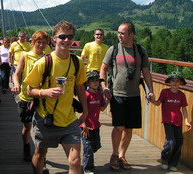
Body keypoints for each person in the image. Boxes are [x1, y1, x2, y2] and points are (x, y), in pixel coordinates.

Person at [26, 21, 88, 174]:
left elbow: (80, 87)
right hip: (46, 118)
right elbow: (29, 90)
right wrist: (45, 92)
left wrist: (85, 111)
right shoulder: (44, 63)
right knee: (40, 154)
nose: (67, 40)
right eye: (62, 37)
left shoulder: (77, 62)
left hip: (69, 119)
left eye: (70, 37)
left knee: (75, 161)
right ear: (54, 39)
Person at [99, 22, 155, 171]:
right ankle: (115, 155)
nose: (119, 35)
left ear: (131, 35)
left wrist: (150, 90)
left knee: (129, 129)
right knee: (118, 127)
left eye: (122, 33)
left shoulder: (140, 51)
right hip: (117, 94)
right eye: (118, 32)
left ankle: (122, 156)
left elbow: (146, 72)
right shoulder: (114, 49)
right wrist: (104, 87)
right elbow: (103, 69)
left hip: (134, 95)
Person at [11, 31, 49, 162]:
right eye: (39, 42)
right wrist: (16, 84)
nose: (41, 45)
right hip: (26, 97)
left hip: (41, 97)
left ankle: (41, 156)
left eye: (44, 43)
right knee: (27, 127)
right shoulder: (25, 56)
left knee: (42, 128)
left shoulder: (47, 58)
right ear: (33, 42)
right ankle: (26, 146)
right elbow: (16, 74)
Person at [152, 71, 192, 172]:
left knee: (179, 142)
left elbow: (184, 109)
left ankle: (173, 163)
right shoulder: (165, 92)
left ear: (181, 83)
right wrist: (152, 100)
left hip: (178, 121)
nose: (175, 83)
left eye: (178, 81)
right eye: (173, 81)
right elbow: (158, 103)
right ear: (169, 82)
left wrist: (187, 121)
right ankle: (165, 160)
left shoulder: (182, 95)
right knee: (170, 142)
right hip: (167, 121)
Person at [80, 70, 110, 174]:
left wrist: (108, 100)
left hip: (95, 126)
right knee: (88, 148)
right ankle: (88, 169)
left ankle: (89, 165)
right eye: (93, 81)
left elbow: (101, 108)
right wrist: (83, 124)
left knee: (95, 147)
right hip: (86, 126)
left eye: (97, 80)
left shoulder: (99, 95)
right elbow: (81, 111)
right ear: (87, 83)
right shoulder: (85, 95)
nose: (96, 82)